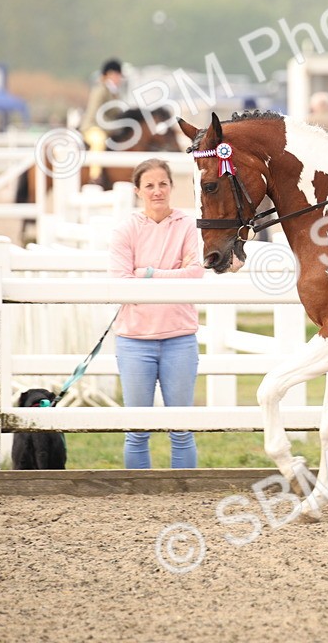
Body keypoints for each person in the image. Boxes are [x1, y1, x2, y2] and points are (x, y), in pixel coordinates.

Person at [109, 158, 204, 468]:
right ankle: (139, 499)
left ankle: (185, 494)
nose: (157, 191)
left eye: (163, 184)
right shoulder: (126, 230)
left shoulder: (189, 225)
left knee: (181, 429)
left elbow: (195, 274)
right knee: (137, 430)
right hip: (135, 340)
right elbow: (121, 282)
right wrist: (171, 272)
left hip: (179, 337)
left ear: (171, 187)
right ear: (138, 191)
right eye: (149, 185)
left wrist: (148, 273)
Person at [82, 59, 125, 181]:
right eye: (117, 75)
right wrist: (114, 127)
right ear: (109, 75)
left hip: (106, 128)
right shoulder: (100, 90)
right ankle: (95, 176)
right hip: (93, 126)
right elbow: (97, 114)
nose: (120, 78)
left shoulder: (115, 92)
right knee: (98, 141)